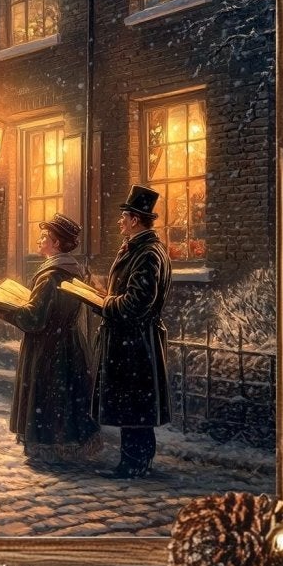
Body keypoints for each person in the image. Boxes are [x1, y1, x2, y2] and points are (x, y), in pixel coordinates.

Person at [5, 213, 97, 462]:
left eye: (44, 237)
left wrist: (7, 309)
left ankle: (48, 446)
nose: (39, 241)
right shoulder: (71, 270)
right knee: (66, 396)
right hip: (69, 343)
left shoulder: (50, 276)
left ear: (56, 244)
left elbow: (34, 319)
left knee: (47, 395)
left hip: (47, 347)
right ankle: (68, 444)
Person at [96, 184, 172, 478]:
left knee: (135, 406)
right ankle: (135, 461)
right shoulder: (140, 248)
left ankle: (134, 463)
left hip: (136, 342)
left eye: (124, 217)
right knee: (134, 406)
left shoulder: (148, 253)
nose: (120, 221)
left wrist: (105, 303)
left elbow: (136, 303)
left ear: (135, 220)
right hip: (131, 340)